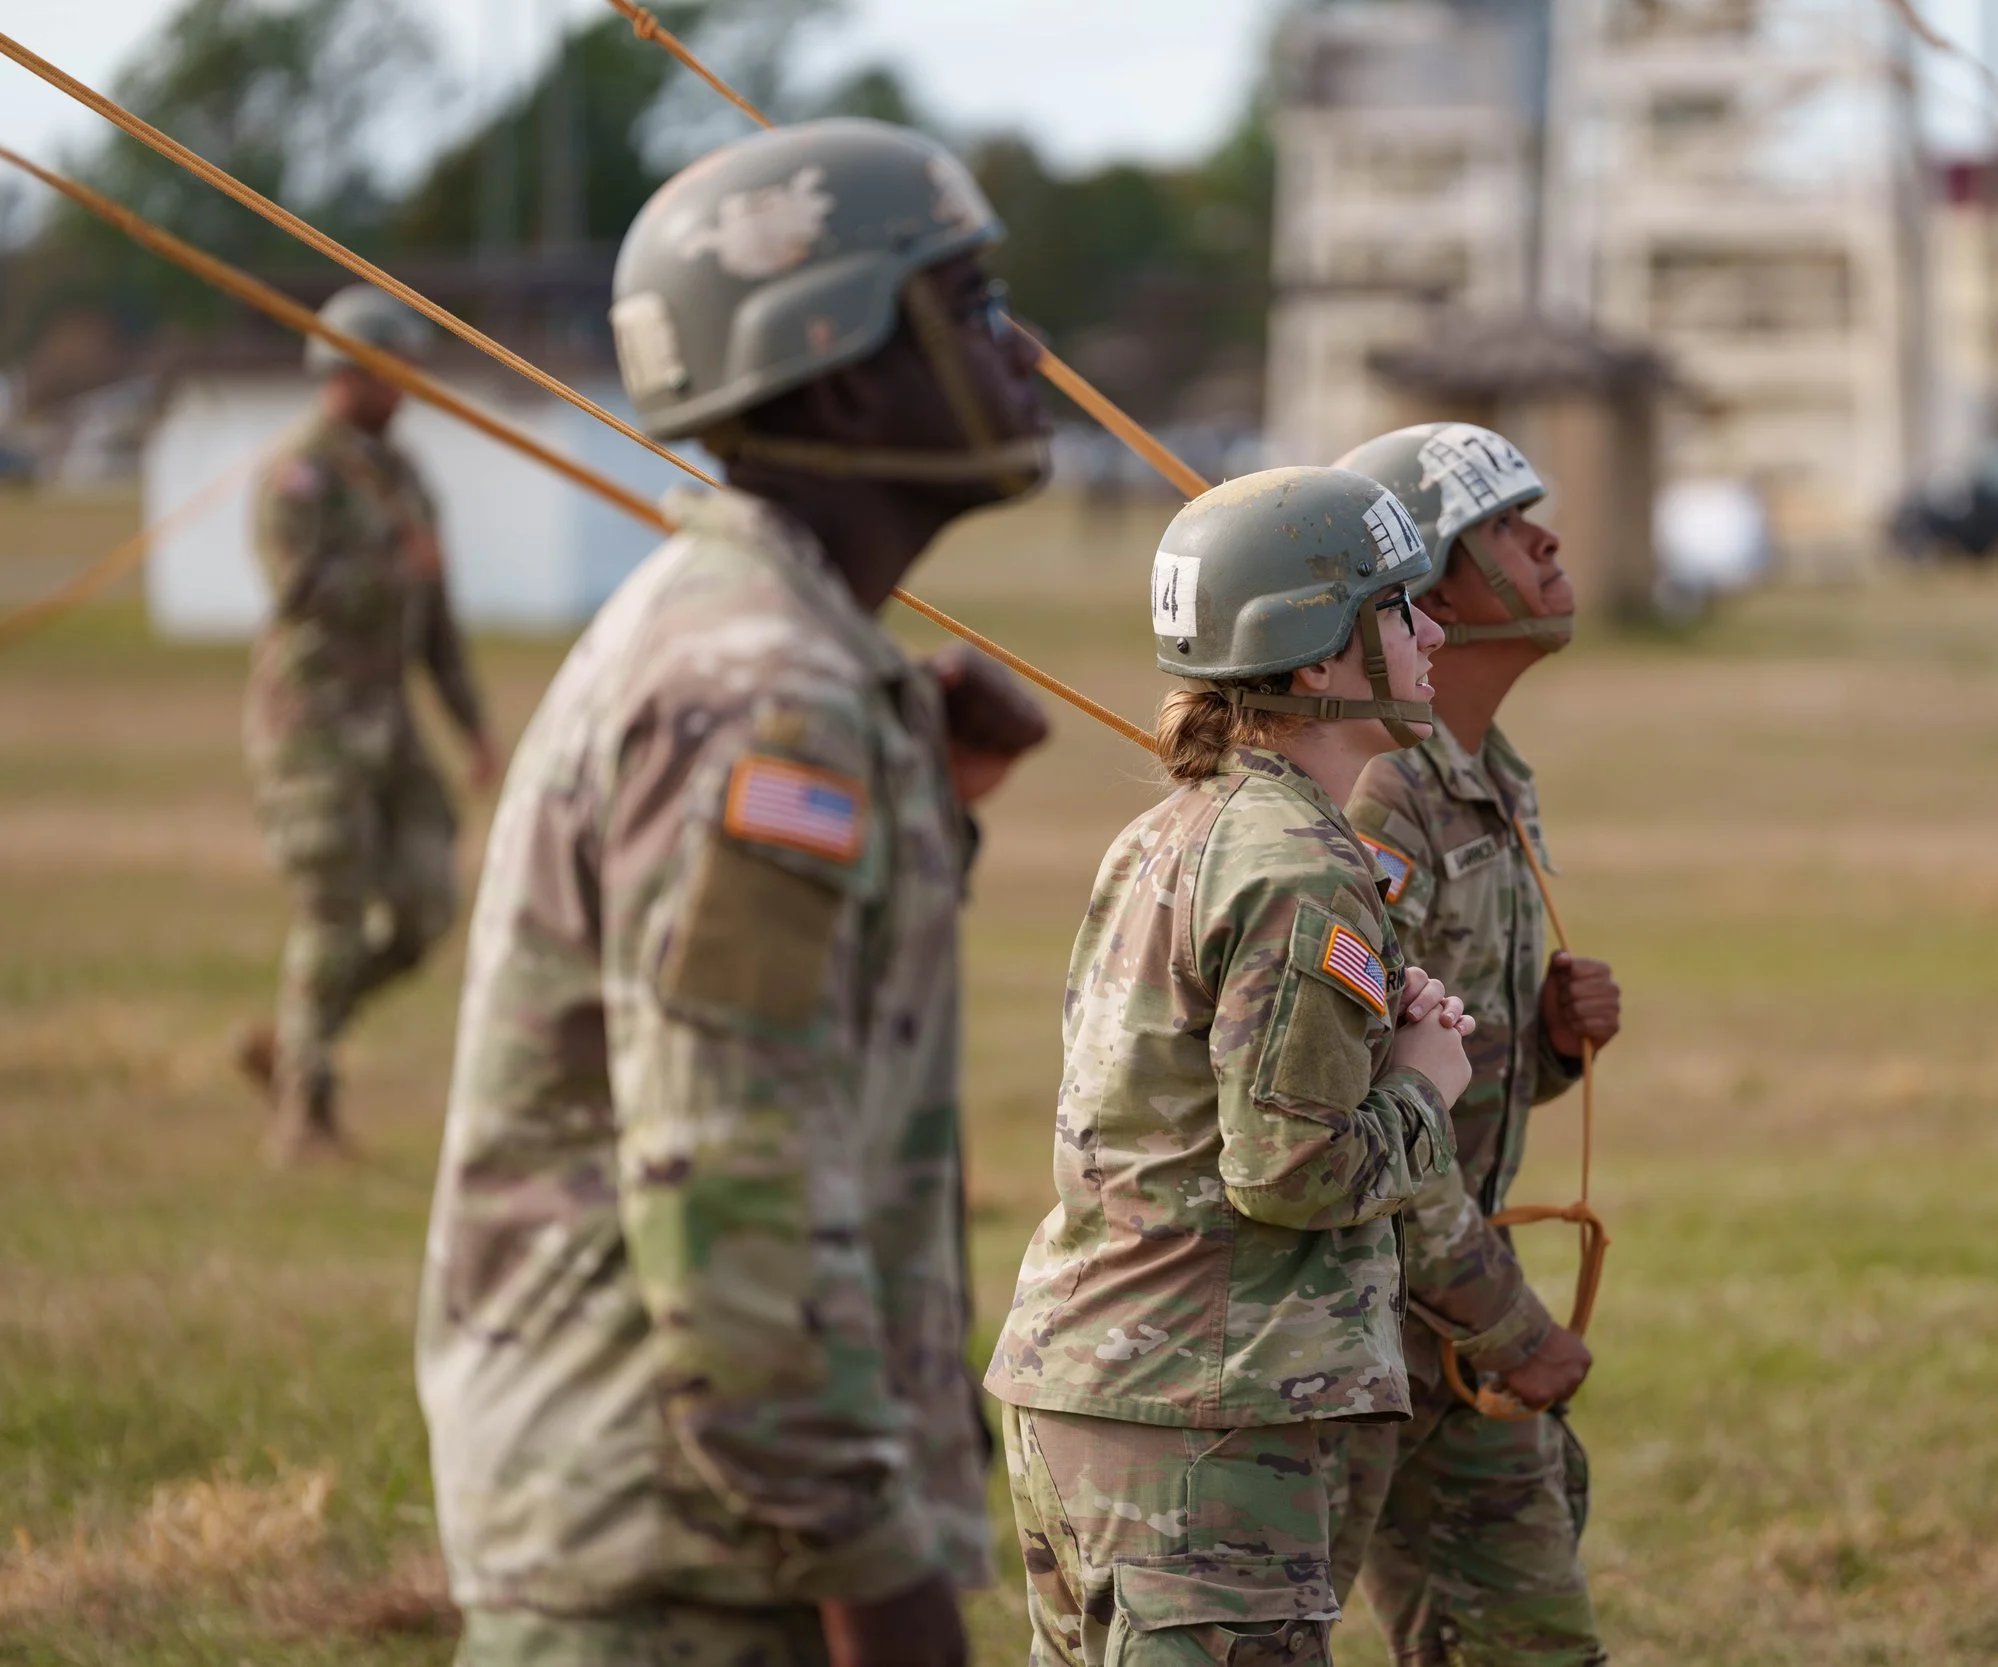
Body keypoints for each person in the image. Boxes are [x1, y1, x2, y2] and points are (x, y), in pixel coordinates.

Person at [416, 119, 1053, 1667]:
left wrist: (934, 803)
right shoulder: (762, 688)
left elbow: (782, 1035)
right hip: (686, 1567)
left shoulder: (793, 654)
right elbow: (729, 1180)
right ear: (840, 371)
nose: (1024, 348)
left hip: (703, 1532)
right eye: (968, 308)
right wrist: (879, 1580)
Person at [985, 464, 1472, 1666]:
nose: (1433, 629)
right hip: (1201, 1424)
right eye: (1400, 606)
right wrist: (1423, 1083)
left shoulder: (1173, 826)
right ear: (1313, 658)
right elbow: (1289, 1171)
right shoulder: (1299, 864)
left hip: (1096, 1389)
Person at [1330, 422, 1621, 1666]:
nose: (1547, 541)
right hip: (1355, 1328)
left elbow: (1442, 1058)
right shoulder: (1377, 792)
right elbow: (1334, 1086)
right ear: (1430, 584)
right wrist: (1508, 1325)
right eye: (1506, 524)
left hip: (1443, 1317)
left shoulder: (1488, 772)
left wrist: (1546, 1047)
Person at [233, 283, 499, 1166]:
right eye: (391, 371)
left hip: (389, 721)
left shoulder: (406, 475)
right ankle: (303, 1118)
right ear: (345, 370)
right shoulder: (298, 473)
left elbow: (439, 620)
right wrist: (395, 563)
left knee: (426, 908)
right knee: (333, 910)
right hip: (312, 723)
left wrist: (473, 729)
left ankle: (299, 1036)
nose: (406, 387)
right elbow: (298, 592)